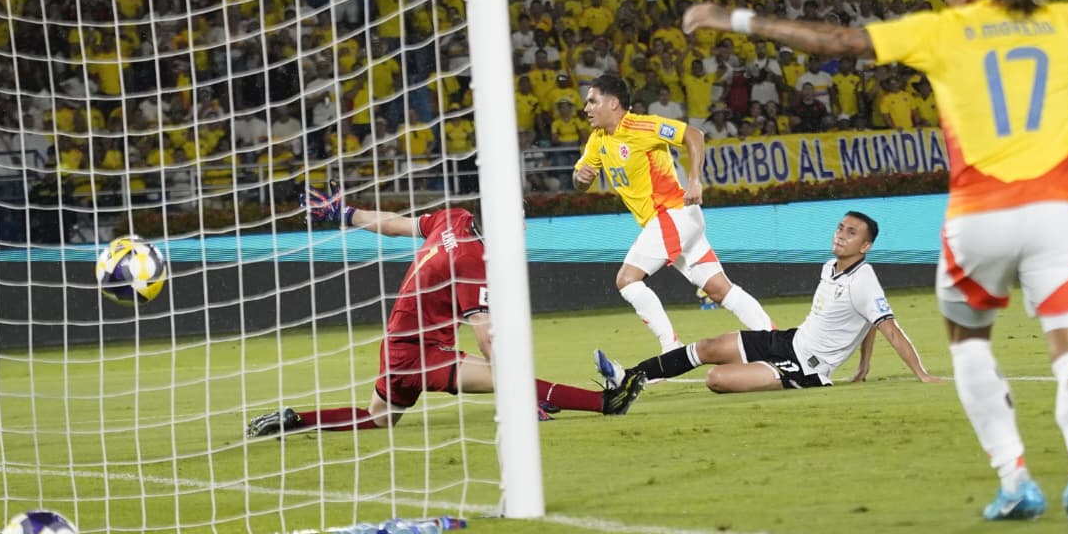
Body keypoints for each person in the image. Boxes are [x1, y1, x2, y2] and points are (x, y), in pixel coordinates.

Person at [683, 0, 1068, 534]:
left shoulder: (944, 30)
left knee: (972, 345)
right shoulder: (1057, 20)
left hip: (980, 217)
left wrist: (732, 18)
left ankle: (1015, 479)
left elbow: (838, 42)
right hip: (1058, 213)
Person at [246, 187, 647, 438]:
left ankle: (295, 419)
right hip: (421, 353)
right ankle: (607, 403)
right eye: (519, 220)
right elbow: (486, 335)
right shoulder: (474, 260)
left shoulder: (456, 219)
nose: (523, 228)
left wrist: (345, 214)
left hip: (402, 346)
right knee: (510, 378)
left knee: (379, 419)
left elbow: (396, 225)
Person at [594, 212, 938, 394]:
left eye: (851, 233)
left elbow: (887, 327)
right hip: (789, 341)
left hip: (806, 367)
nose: (840, 235)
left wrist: (921, 374)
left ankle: (768, 379)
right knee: (709, 346)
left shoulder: (863, 279)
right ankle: (629, 378)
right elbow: (867, 321)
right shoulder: (830, 267)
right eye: (840, 228)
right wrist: (863, 367)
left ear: (865, 247)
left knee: (717, 378)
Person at [571, 73, 773, 352]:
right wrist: (581, 179)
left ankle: (672, 347)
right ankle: (775, 338)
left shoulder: (643, 126)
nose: (586, 108)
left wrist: (694, 180)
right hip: (680, 220)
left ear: (613, 103)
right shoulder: (598, 140)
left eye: (593, 101)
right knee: (718, 289)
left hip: (671, 214)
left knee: (627, 281)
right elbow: (579, 180)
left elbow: (694, 134)